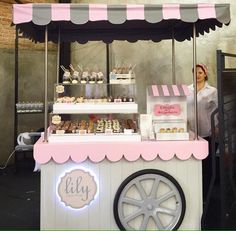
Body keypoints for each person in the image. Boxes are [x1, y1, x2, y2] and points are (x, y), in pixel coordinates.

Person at [187, 63, 218, 200]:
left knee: (206, 165)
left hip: (207, 131)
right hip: (191, 131)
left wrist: (217, 126)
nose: (197, 75)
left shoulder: (212, 91)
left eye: (200, 73)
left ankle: (206, 195)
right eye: (195, 72)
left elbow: (217, 111)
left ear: (205, 74)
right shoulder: (187, 89)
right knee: (193, 163)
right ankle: (194, 191)